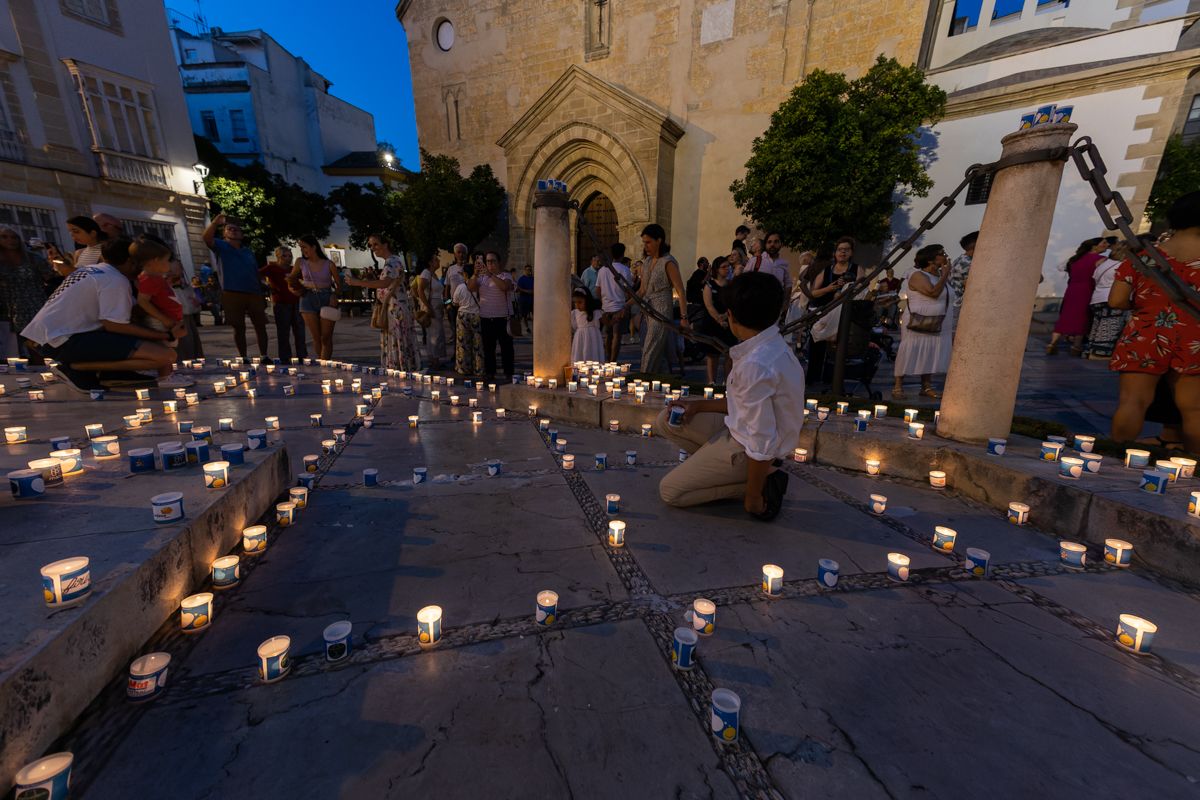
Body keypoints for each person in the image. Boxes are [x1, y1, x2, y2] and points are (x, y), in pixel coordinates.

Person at [654, 271, 803, 518]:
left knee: (670, 491)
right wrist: (698, 406)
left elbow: (761, 442)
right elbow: (744, 405)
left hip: (749, 450)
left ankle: (756, 483)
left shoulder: (756, 365)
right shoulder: (771, 348)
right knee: (667, 420)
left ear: (731, 317)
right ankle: (716, 466)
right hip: (736, 431)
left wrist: (753, 499)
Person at [21, 238, 182, 391]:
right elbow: (114, 325)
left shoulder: (94, 271)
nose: (141, 268)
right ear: (129, 262)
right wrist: (162, 335)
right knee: (165, 356)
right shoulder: (115, 280)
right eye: (140, 263)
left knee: (143, 341)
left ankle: (113, 373)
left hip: (50, 336)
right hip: (63, 340)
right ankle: (72, 368)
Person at [1109, 191, 1200, 453]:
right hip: (1195, 336)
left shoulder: (1144, 256)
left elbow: (1116, 300)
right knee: (1194, 410)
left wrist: (1150, 306)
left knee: (1132, 402)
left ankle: (1115, 459)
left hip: (1147, 333)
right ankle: (1191, 472)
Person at [345, 235, 421, 371]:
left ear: (385, 245)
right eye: (370, 245)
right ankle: (403, 368)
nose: (373, 248)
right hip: (396, 307)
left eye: (375, 244)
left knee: (396, 340)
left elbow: (385, 283)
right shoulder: (393, 261)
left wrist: (358, 282)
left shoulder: (392, 262)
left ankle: (399, 370)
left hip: (395, 309)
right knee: (399, 341)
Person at [892, 244, 954, 399]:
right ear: (931, 259)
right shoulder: (917, 275)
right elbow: (932, 292)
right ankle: (898, 386)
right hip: (918, 321)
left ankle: (926, 386)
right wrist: (945, 275)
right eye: (942, 253)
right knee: (910, 349)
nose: (945, 255)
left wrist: (944, 275)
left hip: (939, 321)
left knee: (931, 352)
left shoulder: (939, 275)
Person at [203, 214, 269, 360]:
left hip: (253, 292)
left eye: (236, 230)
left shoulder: (248, 252)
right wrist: (215, 223)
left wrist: (261, 291)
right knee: (239, 327)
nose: (233, 231)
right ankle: (243, 356)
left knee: (260, 325)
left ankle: (264, 355)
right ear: (224, 233)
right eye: (229, 229)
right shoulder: (221, 246)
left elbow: (255, 272)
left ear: (242, 234)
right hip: (232, 292)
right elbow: (207, 239)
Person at [131, 237, 191, 388]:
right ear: (155, 261)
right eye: (166, 261)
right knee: (164, 348)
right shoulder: (149, 279)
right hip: (161, 322)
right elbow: (143, 301)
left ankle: (168, 374)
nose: (169, 265)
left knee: (168, 347)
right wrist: (163, 319)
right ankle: (165, 377)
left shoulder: (155, 278)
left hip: (168, 319)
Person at [805, 237, 858, 383]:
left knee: (837, 348)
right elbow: (813, 293)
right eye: (840, 250)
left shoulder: (857, 269)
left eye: (846, 250)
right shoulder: (827, 269)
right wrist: (830, 288)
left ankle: (832, 379)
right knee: (817, 345)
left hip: (844, 314)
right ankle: (813, 378)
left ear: (851, 252)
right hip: (824, 312)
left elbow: (862, 290)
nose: (843, 252)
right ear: (835, 253)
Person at [639, 224, 689, 374]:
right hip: (647, 310)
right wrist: (625, 307)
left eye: (648, 242)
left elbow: (680, 290)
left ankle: (643, 381)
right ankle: (658, 385)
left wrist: (684, 318)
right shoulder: (647, 262)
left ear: (659, 240)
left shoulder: (668, 262)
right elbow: (642, 290)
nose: (645, 246)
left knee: (650, 351)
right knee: (655, 353)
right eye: (644, 243)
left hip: (661, 311)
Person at [0, 226, 55, 359]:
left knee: (40, 349)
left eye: (14, 237)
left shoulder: (33, 258)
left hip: (35, 306)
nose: (10, 240)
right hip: (6, 310)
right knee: (14, 352)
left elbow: (52, 278)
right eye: (4, 237)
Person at [1048, 238, 1105, 356]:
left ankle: (1053, 342)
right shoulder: (1100, 260)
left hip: (1072, 289)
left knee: (1066, 315)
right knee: (1082, 316)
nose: (1106, 245)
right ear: (1094, 246)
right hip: (1087, 289)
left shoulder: (1075, 259)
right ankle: (1076, 346)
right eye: (1103, 243)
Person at [291, 234, 340, 360]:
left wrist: (335, 295)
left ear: (314, 247)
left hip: (326, 297)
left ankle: (326, 363)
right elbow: (291, 280)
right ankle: (322, 365)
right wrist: (294, 289)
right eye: (301, 248)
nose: (302, 250)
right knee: (316, 336)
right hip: (307, 298)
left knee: (326, 336)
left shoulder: (329, 264)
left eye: (305, 247)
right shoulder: (300, 262)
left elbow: (340, 285)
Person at [1084, 241, 1132, 360]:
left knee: (1097, 325)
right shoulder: (1121, 266)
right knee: (1109, 326)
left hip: (1097, 298)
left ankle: (1090, 349)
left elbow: (1095, 278)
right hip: (1111, 297)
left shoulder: (1104, 264)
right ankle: (1099, 353)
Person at [471, 251, 515, 381]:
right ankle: (490, 372)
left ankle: (509, 372)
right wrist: (475, 274)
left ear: (498, 262)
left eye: (492, 261)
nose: (489, 264)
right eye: (487, 261)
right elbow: (471, 287)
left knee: (506, 348)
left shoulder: (505, 275)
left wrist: (491, 275)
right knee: (488, 348)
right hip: (486, 318)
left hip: (503, 318)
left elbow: (505, 287)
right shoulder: (481, 278)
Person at [259, 246, 306, 363]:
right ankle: (285, 357)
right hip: (281, 303)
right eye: (285, 256)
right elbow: (257, 275)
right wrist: (268, 286)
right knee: (283, 331)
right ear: (278, 256)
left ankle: (302, 355)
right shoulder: (272, 268)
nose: (288, 258)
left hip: (296, 302)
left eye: (290, 256)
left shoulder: (293, 269)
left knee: (299, 330)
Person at [699, 256, 738, 384]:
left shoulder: (730, 285)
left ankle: (727, 382)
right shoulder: (709, 285)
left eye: (729, 266)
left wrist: (726, 317)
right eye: (724, 267)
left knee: (729, 354)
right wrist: (719, 319)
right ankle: (712, 382)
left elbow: (733, 304)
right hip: (712, 324)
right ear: (717, 269)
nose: (727, 269)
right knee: (712, 354)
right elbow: (709, 305)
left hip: (728, 323)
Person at [596, 245, 633, 362]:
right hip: (619, 306)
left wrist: (603, 301)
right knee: (617, 335)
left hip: (606, 307)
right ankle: (613, 360)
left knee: (608, 334)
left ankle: (607, 359)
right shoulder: (625, 270)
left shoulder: (602, 270)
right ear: (622, 254)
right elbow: (629, 289)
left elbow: (597, 289)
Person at [418, 253, 448, 369]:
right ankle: (434, 360)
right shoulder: (426, 273)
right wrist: (428, 307)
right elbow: (420, 290)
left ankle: (434, 359)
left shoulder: (433, 274)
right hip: (432, 305)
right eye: (436, 260)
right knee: (435, 334)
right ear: (430, 262)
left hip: (437, 305)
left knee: (436, 333)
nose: (438, 261)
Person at [452, 273, 484, 376]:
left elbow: (455, 302)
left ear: (465, 274)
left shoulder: (461, 287)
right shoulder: (479, 286)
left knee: (463, 343)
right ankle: (479, 368)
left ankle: (463, 368)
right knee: (478, 344)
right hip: (477, 315)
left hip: (463, 316)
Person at [444, 244, 470, 348]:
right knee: (455, 330)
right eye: (458, 252)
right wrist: (447, 303)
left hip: (467, 305)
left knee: (466, 331)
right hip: (453, 305)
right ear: (455, 254)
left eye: (463, 252)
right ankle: (456, 354)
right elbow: (447, 287)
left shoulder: (469, 268)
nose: (461, 254)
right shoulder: (450, 269)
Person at [570, 288, 603, 363]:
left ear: (587, 301)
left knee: (592, 353)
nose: (577, 305)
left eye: (580, 302)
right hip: (580, 338)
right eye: (575, 303)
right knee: (580, 354)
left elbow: (607, 322)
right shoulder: (574, 313)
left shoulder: (595, 312)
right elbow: (574, 327)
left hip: (593, 337)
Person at [948, 231, 978, 310]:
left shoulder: (960, 259)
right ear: (976, 244)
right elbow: (972, 285)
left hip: (961, 305)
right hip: (965, 307)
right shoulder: (967, 263)